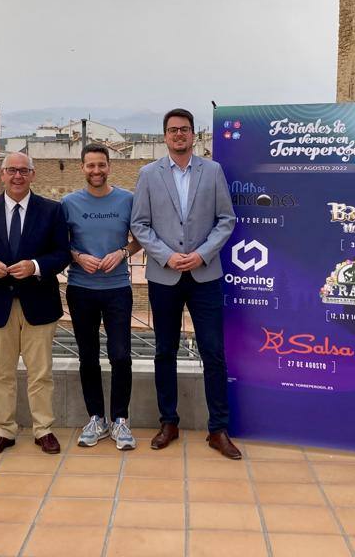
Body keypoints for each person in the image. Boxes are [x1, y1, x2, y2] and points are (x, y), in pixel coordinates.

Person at [130, 108, 239, 459]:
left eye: (185, 129)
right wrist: (166, 256)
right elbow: (140, 225)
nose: (179, 135)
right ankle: (169, 422)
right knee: (164, 351)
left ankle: (218, 429)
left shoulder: (213, 171)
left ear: (194, 135)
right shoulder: (148, 174)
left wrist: (202, 254)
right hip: (165, 276)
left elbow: (226, 220)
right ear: (165, 135)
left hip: (204, 275)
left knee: (213, 352)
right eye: (173, 130)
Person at [0, 152, 71, 455]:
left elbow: (63, 253)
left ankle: (43, 429)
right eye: (11, 170)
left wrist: (35, 265)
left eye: (24, 171)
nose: (17, 176)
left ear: (33, 175)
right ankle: (4, 430)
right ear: (2, 174)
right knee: (1, 373)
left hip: (39, 303)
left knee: (41, 372)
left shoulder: (52, 211)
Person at [62, 143, 141, 451]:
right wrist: (78, 257)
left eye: (101, 165)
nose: (96, 171)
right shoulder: (68, 203)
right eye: (90, 165)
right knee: (88, 356)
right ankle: (96, 418)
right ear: (82, 168)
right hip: (81, 289)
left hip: (118, 289)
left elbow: (139, 240)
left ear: (110, 167)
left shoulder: (127, 200)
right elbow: (60, 245)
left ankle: (120, 419)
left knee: (121, 355)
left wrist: (121, 252)